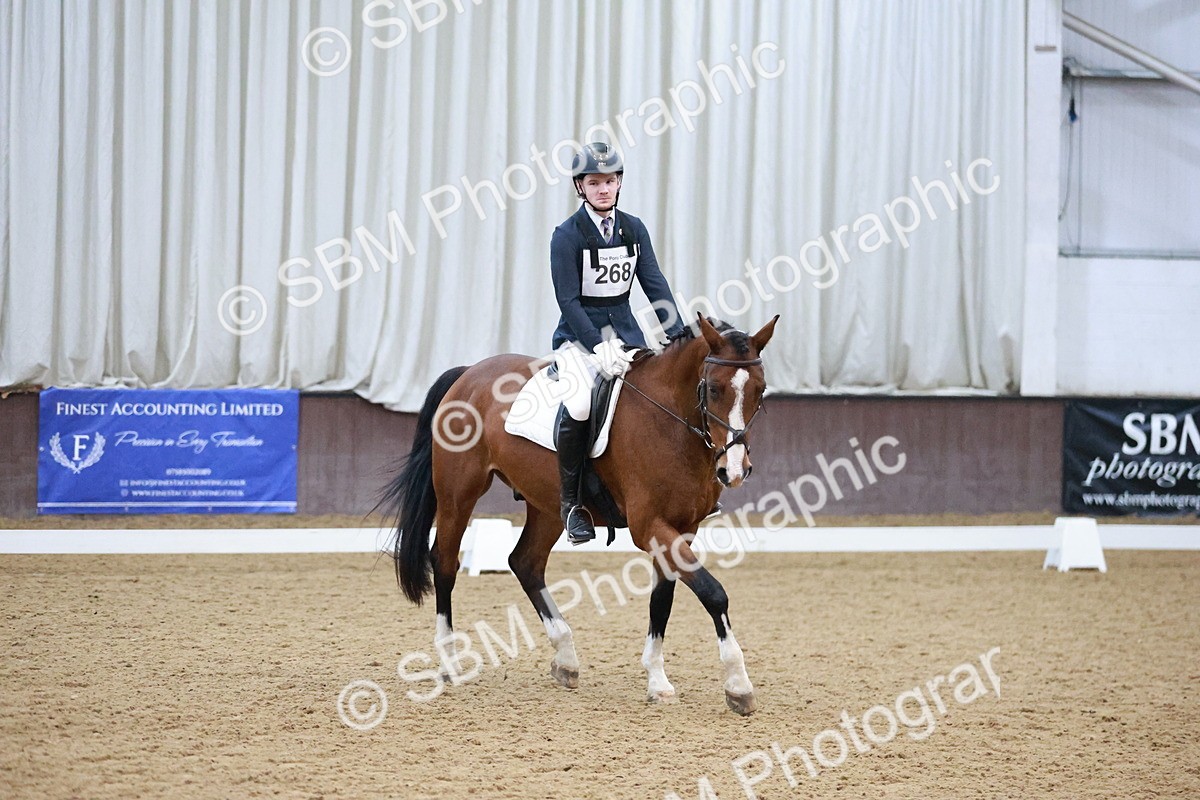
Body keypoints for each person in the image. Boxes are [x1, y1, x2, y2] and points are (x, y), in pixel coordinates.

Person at [549, 141, 686, 545]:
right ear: (581, 188)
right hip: (578, 339)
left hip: (627, 336)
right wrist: (595, 345)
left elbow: (653, 283)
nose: (603, 189)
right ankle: (571, 505)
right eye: (595, 183)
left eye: (609, 181)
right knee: (579, 402)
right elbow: (568, 301)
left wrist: (677, 332)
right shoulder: (567, 236)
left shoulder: (634, 228)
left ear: (619, 182)